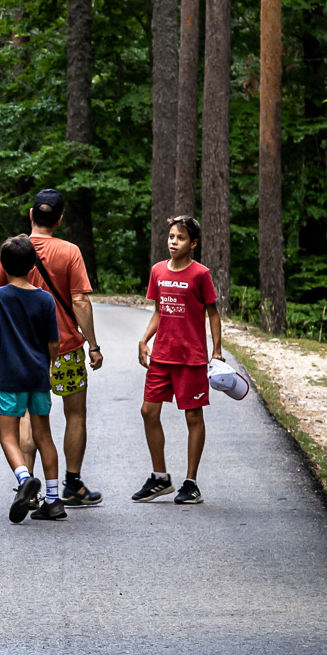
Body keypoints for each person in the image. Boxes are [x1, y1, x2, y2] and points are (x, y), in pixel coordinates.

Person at [0, 189, 106, 506]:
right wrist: (93, 345)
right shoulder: (70, 252)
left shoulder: (13, 248)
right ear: (60, 219)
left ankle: (29, 488)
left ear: (31, 215)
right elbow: (80, 300)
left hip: (23, 352)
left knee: (27, 417)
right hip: (64, 349)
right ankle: (72, 484)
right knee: (75, 414)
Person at [133, 215, 224, 505]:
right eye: (171, 236)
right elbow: (160, 310)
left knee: (193, 416)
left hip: (191, 358)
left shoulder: (200, 274)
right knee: (148, 411)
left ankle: (191, 483)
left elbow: (213, 313)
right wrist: (144, 340)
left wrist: (217, 350)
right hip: (162, 356)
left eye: (180, 238)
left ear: (193, 243)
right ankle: (160, 477)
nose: (174, 242)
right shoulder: (158, 270)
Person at [0, 235, 67, 523]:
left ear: (3, 266)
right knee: (44, 435)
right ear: (33, 266)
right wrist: (49, 362)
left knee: (9, 436)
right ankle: (54, 501)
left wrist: (3, 352)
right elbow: (53, 344)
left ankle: (25, 478)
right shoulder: (45, 299)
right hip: (38, 376)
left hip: (10, 376)